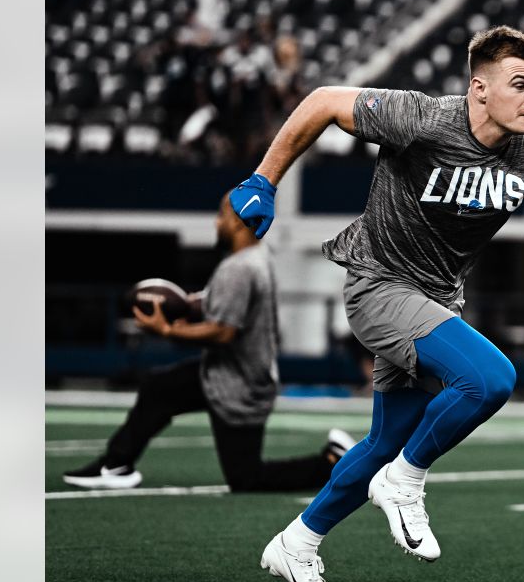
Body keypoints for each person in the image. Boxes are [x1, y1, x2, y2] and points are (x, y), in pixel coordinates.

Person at [229, 26, 524, 582]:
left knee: (387, 439)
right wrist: (264, 179)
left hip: (435, 299)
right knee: (490, 379)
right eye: (520, 84)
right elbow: (324, 101)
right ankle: (405, 483)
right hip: (379, 285)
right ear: (479, 88)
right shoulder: (424, 118)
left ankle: (297, 544)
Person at [62, 194, 355, 491]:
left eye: (222, 216)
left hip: (235, 384)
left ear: (240, 222)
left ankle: (332, 462)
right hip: (237, 375)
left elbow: (223, 331)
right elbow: (227, 301)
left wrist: (166, 330)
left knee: (246, 478)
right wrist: (189, 304)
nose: (217, 222)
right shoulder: (258, 257)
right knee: (158, 389)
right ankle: (116, 464)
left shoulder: (238, 268)